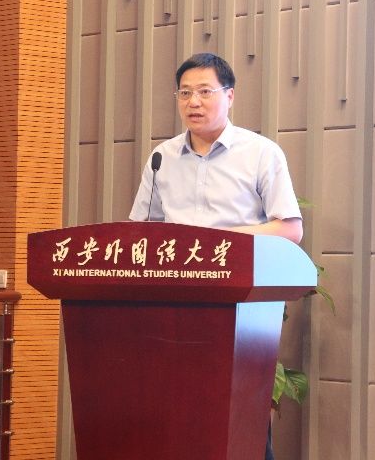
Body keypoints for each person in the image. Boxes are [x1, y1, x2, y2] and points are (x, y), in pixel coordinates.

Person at [129, 52, 303, 460]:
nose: (194, 102)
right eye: (185, 93)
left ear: (230, 96)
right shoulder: (161, 158)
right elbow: (141, 234)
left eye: (205, 91)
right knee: (178, 419)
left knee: (240, 424)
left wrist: (218, 243)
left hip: (241, 312)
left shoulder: (261, 153)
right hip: (172, 312)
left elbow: (290, 229)